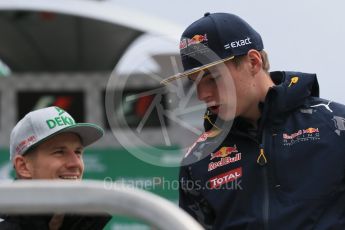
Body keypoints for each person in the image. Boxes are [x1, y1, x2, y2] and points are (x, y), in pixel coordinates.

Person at [161, 12, 345, 229]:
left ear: (253, 62)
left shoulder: (336, 126)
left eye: (213, 77)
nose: (202, 94)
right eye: (195, 82)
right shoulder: (199, 157)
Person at [0, 106, 111, 229]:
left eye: (78, 152)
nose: (75, 163)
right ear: (24, 167)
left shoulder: (86, 222)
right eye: (59, 152)